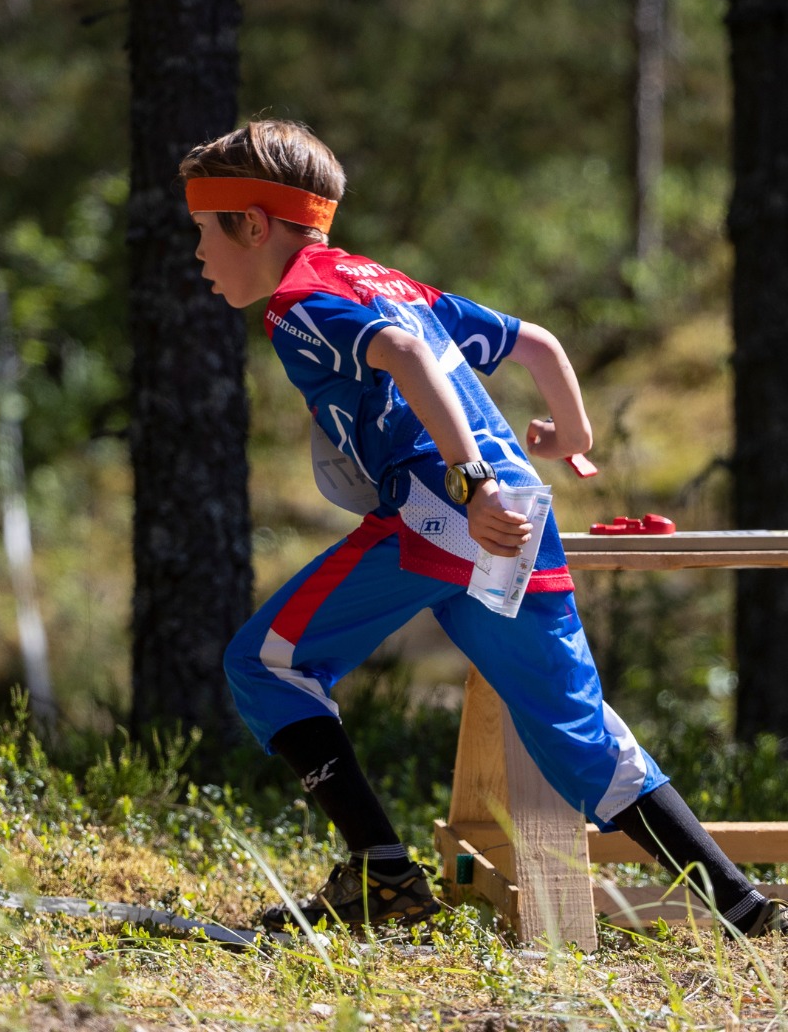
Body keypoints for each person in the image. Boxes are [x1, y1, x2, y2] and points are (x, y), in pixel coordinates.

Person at [178, 118, 785, 939]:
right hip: (520, 518)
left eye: (203, 232)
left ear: (251, 224)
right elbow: (535, 343)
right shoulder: (383, 279)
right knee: (579, 733)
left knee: (265, 664)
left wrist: (470, 486)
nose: (199, 256)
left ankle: (383, 876)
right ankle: (743, 907)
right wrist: (571, 436)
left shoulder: (299, 304)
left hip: (446, 514)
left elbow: (406, 358)